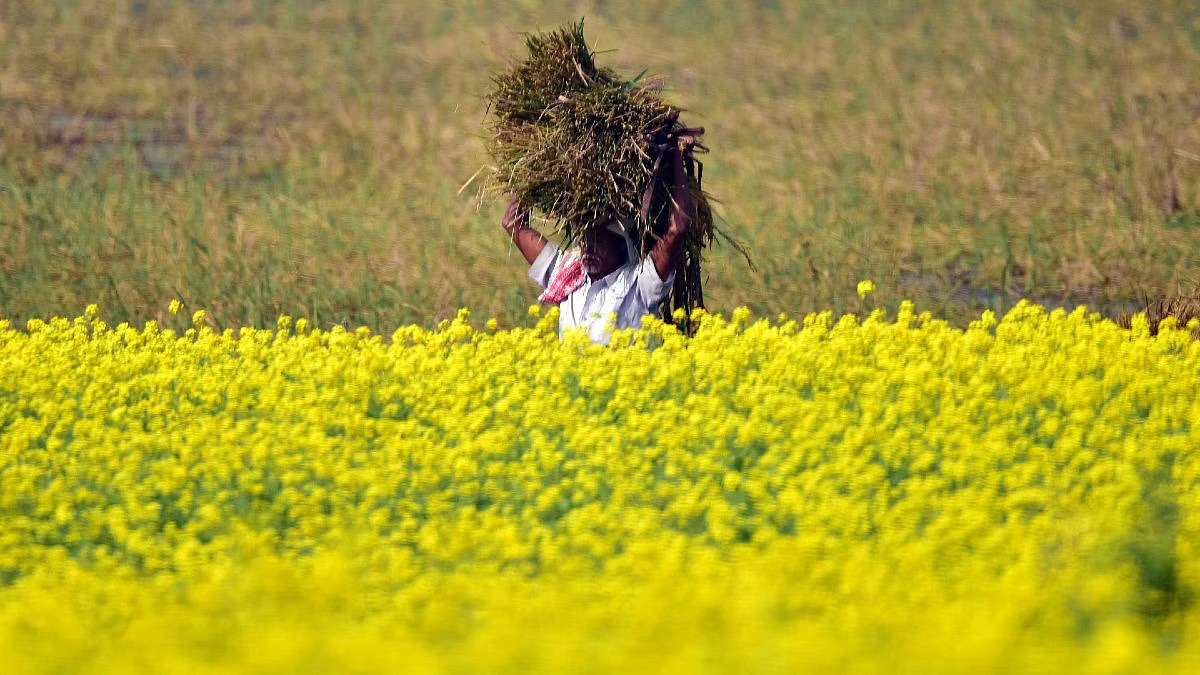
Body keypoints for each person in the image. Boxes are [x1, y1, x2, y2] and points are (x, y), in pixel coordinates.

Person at [501, 137, 696, 345]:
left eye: (598, 241)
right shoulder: (567, 274)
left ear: (621, 244)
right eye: (585, 240)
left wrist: (675, 153)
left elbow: (678, 228)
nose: (588, 249)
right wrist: (533, 159)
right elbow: (512, 223)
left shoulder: (640, 284)